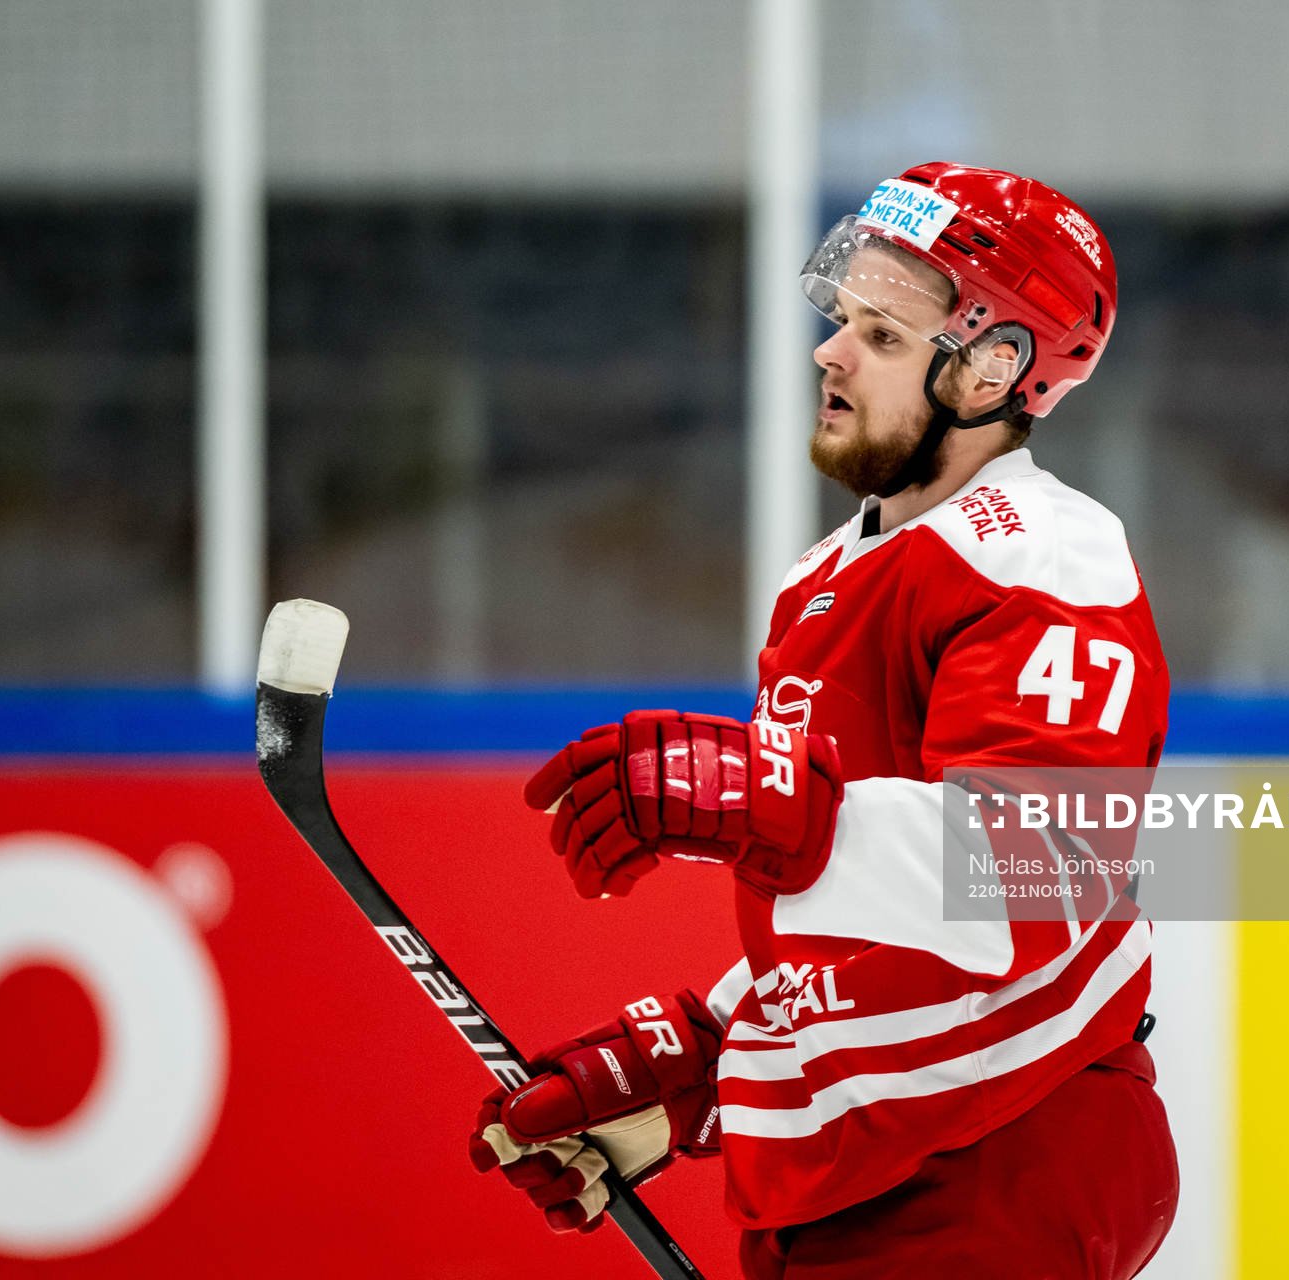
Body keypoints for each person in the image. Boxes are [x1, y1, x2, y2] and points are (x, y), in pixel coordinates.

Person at [469, 163, 1178, 1278]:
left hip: (995, 1158)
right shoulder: (819, 584)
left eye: (885, 336)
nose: (829, 352)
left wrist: (774, 804)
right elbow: (845, 913)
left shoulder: (1043, 549)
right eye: (844, 318)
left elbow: (1044, 869)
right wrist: (702, 1054)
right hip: (857, 1176)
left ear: (994, 369)